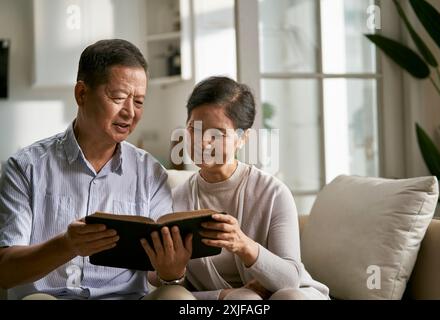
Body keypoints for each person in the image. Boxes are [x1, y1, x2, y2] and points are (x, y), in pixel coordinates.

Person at [0, 39, 191, 300]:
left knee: (176, 296)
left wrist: (172, 272)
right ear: (81, 94)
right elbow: (4, 270)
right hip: (52, 297)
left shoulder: (150, 172)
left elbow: (159, 275)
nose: (130, 112)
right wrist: (67, 245)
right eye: (119, 97)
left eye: (139, 102)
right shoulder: (25, 167)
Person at [170, 76, 330, 300]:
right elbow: (166, 286)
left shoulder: (273, 193)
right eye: (194, 129)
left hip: (290, 295)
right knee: (245, 300)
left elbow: (289, 281)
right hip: (226, 301)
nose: (203, 142)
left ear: (242, 138)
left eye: (218, 134)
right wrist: (226, 294)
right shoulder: (175, 200)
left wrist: (243, 245)